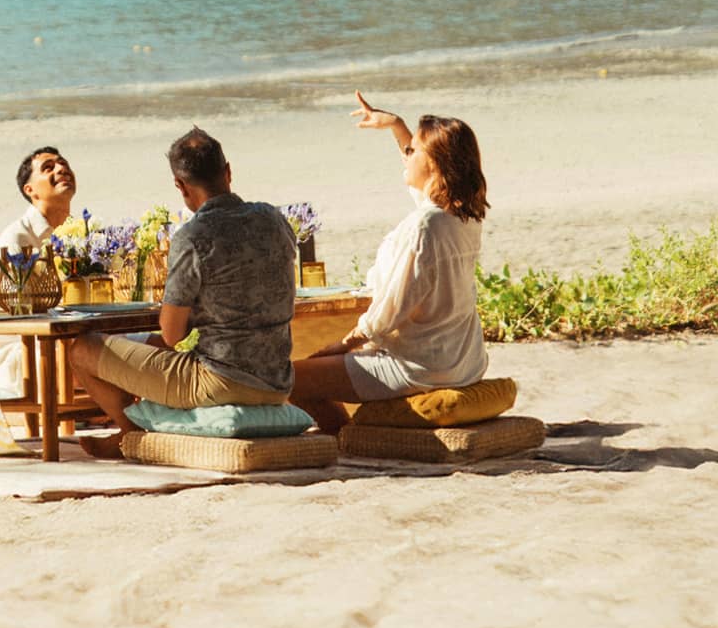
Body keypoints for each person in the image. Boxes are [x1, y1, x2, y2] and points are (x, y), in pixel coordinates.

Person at [68, 126, 297, 457]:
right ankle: (132, 429)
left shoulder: (193, 236)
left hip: (219, 382)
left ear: (180, 184)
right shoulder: (273, 218)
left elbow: (172, 334)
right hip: (278, 380)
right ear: (228, 172)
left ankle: (129, 435)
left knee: (82, 349)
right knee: (145, 345)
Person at [291, 91, 489, 433]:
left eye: (413, 151)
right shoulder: (462, 217)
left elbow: (390, 310)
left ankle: (349, 441)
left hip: (420, 366)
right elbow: (424, 191)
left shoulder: (425, 226)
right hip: (463, 360)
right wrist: (397, 127)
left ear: (435, 163)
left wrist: (340, 345)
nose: (407, 155)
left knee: (292, 378)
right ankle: (349, 436)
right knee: (320, 369)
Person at [0, 146, 77, 398]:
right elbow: (16, 314)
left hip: (65, 340)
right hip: (22, 351)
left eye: (63, 164)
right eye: (48, 168)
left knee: (143, 346)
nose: (61, 169)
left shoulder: (76, 236)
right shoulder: (17, 239)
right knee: (103, 357)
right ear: (30, 190)